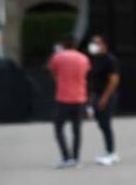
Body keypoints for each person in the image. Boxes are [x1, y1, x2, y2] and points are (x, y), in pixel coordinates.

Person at [47, 37, 91, 168]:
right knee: (77, 130)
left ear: (63, 45)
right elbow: (86, 73)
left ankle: (66, 156)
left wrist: (59, 80)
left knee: (59, 128)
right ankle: (76, 158)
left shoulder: (58, 57)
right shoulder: (84, 58)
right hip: (79, 97)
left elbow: (52, 71)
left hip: (63, 98)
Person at [87, 35, 121, 166]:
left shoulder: (110, 60)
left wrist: (105, 98)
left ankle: (111, 152)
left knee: (106, 123)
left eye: (97, 43)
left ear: (104, 45)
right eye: (93, 42)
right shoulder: (95, 59)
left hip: (106, 95)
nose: (94, 45)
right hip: (97, 95)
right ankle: (107, 150)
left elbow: (114, 81)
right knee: (101, 123)